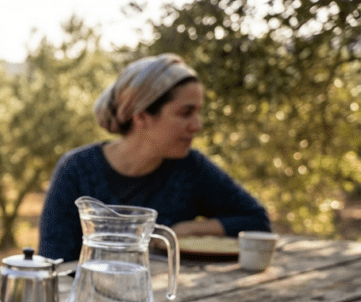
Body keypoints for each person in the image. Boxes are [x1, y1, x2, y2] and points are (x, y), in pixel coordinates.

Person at [37, 53, 271, 261]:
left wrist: (187, 230)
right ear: (142, 118)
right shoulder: (76, 170)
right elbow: (52, 262)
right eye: (186, 112)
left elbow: (257, 222)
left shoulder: (191, 168)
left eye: (198, 112)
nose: (197, 125)